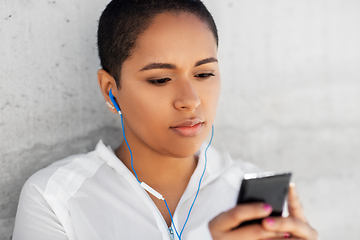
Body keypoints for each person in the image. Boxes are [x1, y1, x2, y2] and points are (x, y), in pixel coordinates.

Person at [12, 0, 318, 239]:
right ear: (111, 90)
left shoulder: (250, 196)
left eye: (204, 74)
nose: (191, 99)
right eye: (160, 79)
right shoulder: (57, 197)